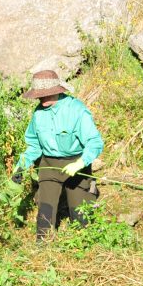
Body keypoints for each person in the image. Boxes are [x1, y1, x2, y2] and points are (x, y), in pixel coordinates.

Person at [11, 70, 104, 240]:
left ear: (57, 91)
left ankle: (84, 243)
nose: (42, 99)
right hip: (49, 164)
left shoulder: (77, 110)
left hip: (76, 163)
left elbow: (95, 142)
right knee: (45, 208)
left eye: (46, 95)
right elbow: (33, 146)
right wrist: (21, 166)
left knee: (80, 212)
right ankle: (43, 246)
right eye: (39, 96)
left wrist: (80, 163)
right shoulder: (38, 114)